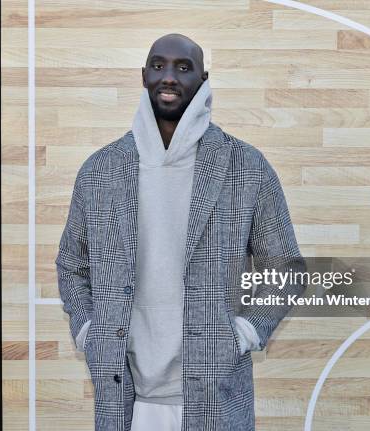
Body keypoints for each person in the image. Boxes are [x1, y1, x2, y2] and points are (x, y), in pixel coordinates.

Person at [56, 33, 306, 431]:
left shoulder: (246, 166)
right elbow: (72, 265)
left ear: (203, 79)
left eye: (183, 67)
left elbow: (287, 269)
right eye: (158, 65)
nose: (168, 76)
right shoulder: (99, 170)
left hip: (215, 390)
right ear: (143, 76)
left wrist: (243, 333)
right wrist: (89, 330)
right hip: (124, 391)